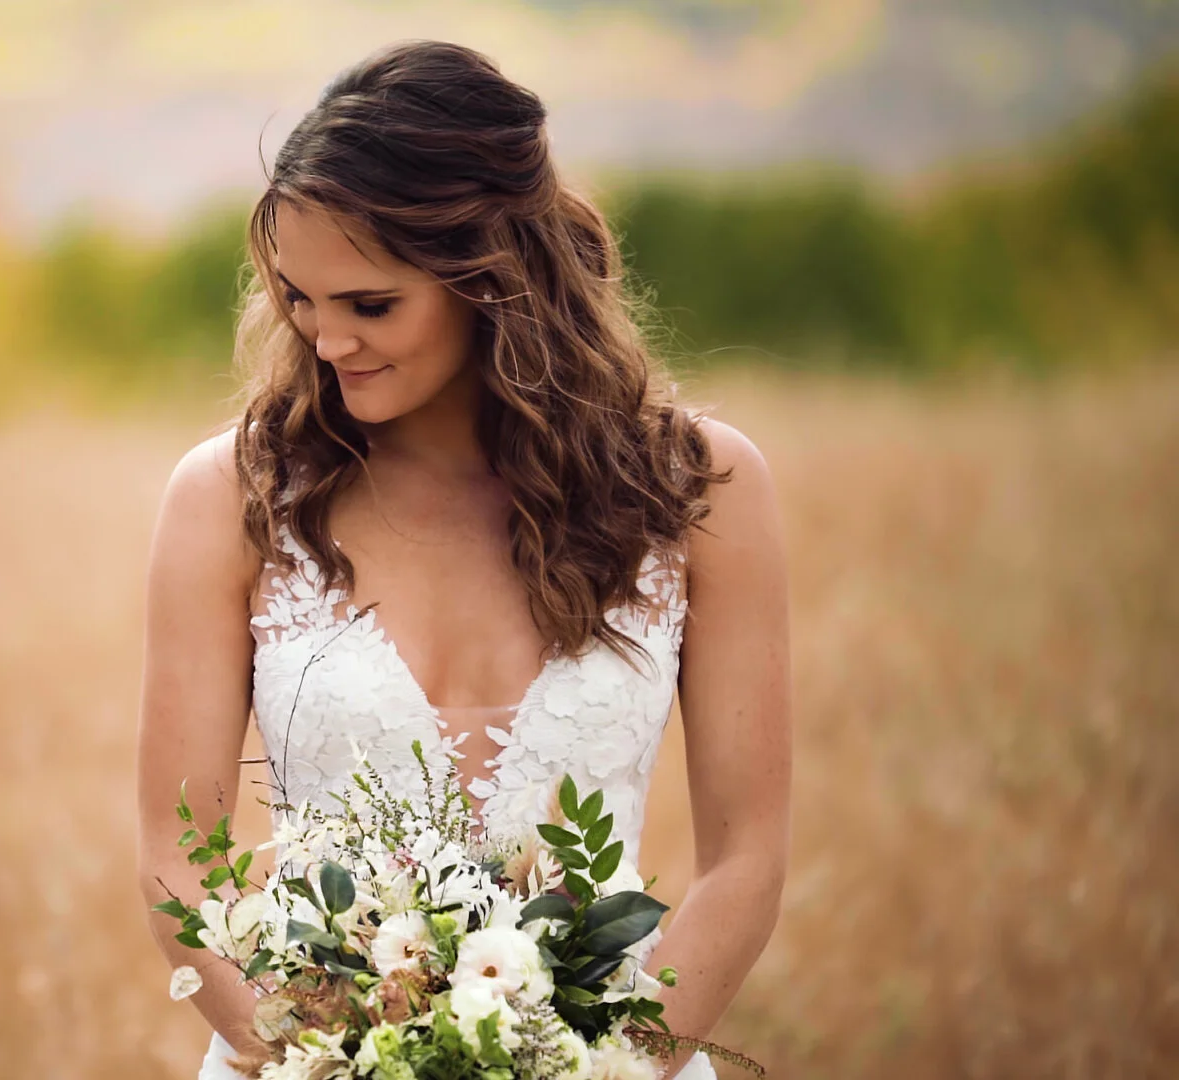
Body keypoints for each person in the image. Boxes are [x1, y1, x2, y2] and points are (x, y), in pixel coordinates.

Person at [135, 40, 791, 1080]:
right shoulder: (231, 501)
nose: (324, 339)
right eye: (302, 297)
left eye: (371, 304)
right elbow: (178, 861)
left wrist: (606, 1067)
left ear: (493, 277)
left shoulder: (702, 492)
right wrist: (319, 1056)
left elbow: (746, 861)